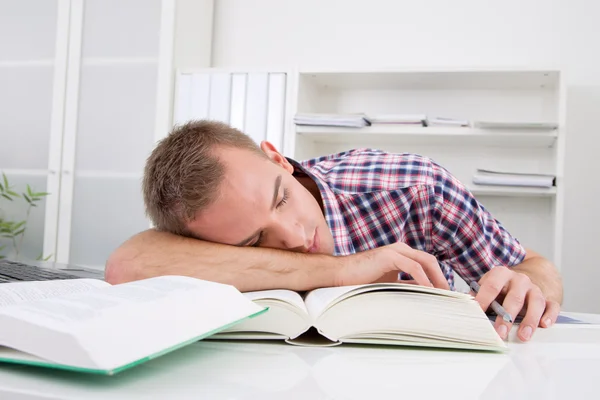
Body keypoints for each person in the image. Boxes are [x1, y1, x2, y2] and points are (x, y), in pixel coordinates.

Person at [106, 120, 563, 342]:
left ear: (277, 157)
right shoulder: (202, 235)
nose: (288, 236)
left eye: (281, 198)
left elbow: (533, 266)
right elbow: (128, 263)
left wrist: (528, 287)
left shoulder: (414, 187)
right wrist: (343, 270)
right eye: (251, 242)